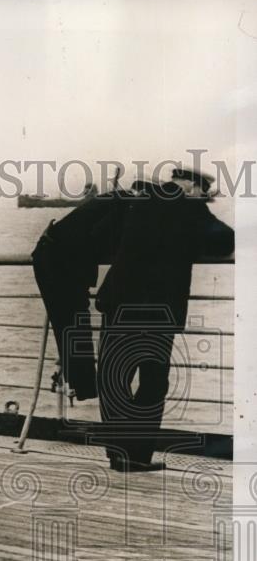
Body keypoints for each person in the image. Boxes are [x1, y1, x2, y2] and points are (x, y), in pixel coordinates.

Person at [94, 168, 234, 472]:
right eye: (203, 191)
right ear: (193, 186)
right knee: (153, 383)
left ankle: (118, 454)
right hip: (156, 311)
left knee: (113, 378)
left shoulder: (137, 199)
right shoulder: (189, 208)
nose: (203, 196)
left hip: (118, 301)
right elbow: (224, 241)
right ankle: (138, 455)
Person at [32, 190, 126, 401]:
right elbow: (99, 236)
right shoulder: (126, 205)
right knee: (73, 325)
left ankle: (82, 387)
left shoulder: (118, 198)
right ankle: (83, 387)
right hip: (58, 262)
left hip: (58, 258)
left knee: (72, 326)